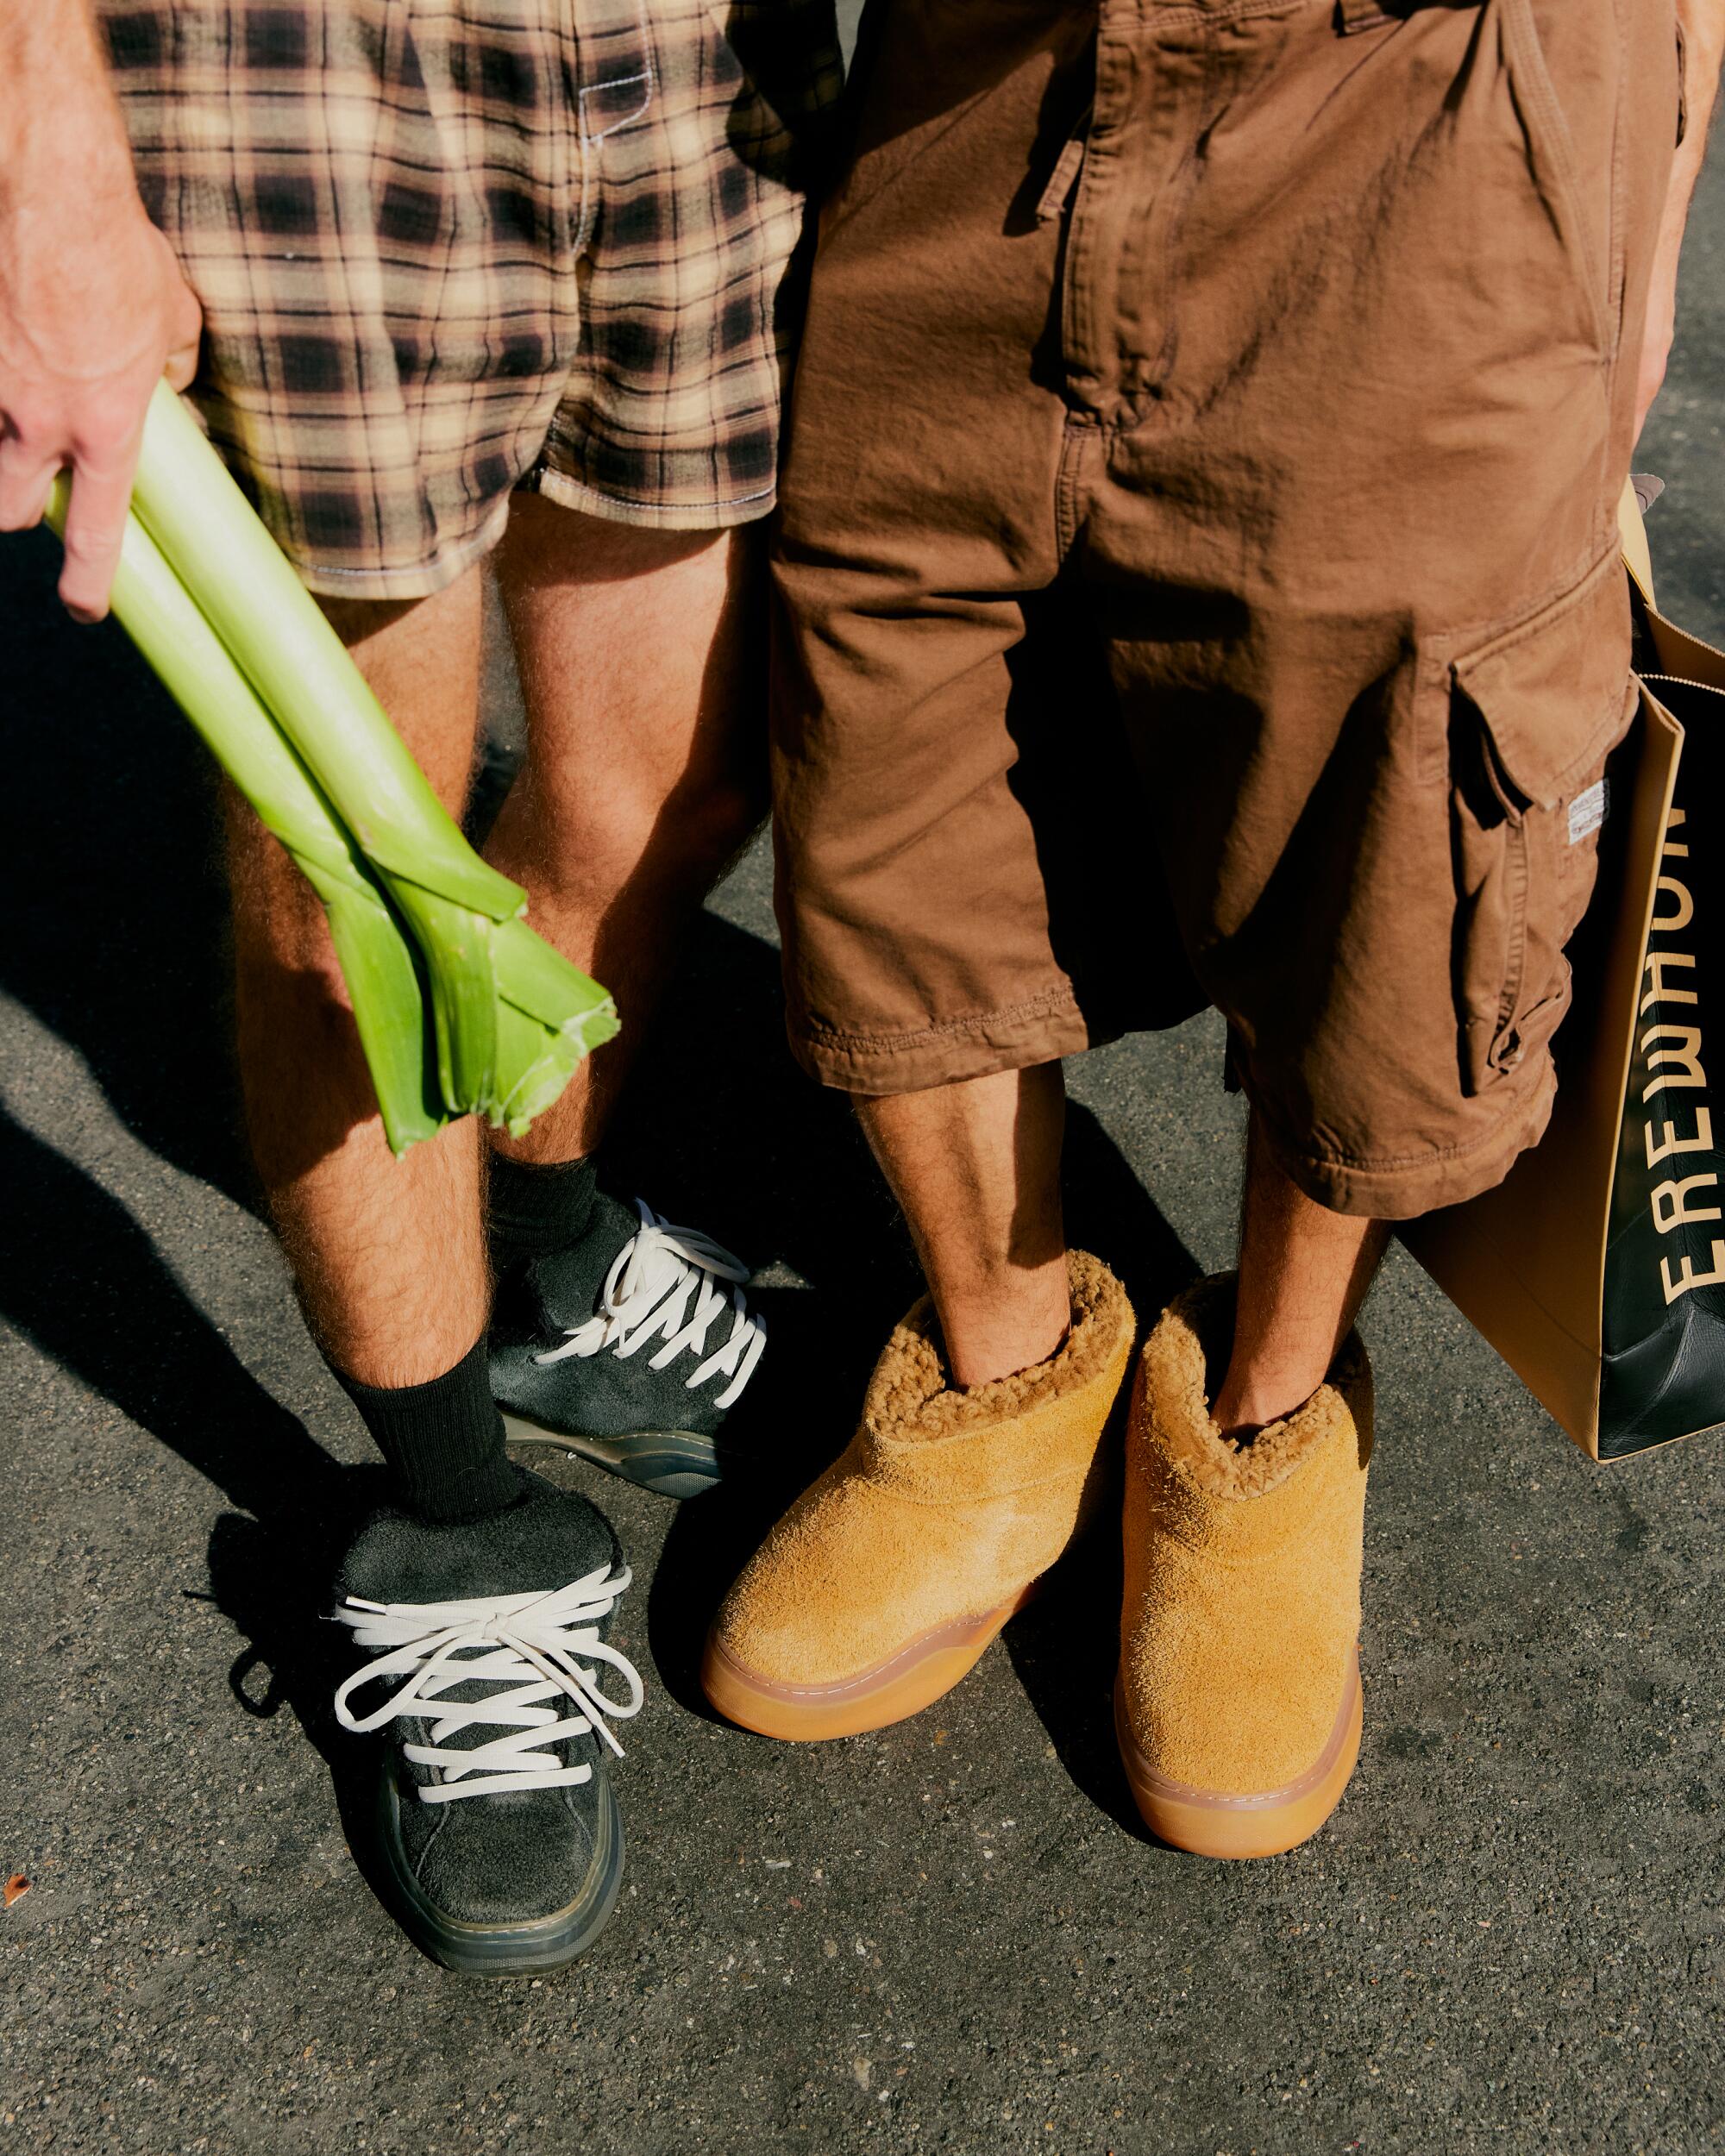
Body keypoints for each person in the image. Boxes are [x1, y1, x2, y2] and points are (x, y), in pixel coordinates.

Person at [701, 0, 1722, 1859]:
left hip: (1430, 100)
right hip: (988, 62)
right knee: (888, 673)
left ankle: (1258, 1417)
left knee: (1392, 792)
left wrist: (1650, 169)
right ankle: (1002, 1371)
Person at [0, 0, 840, 1971]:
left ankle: (545, 1254)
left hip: (704, 53)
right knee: (346, 899)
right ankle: (456, 1528)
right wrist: (38, 155)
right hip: (306, 64)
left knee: (688, 764)